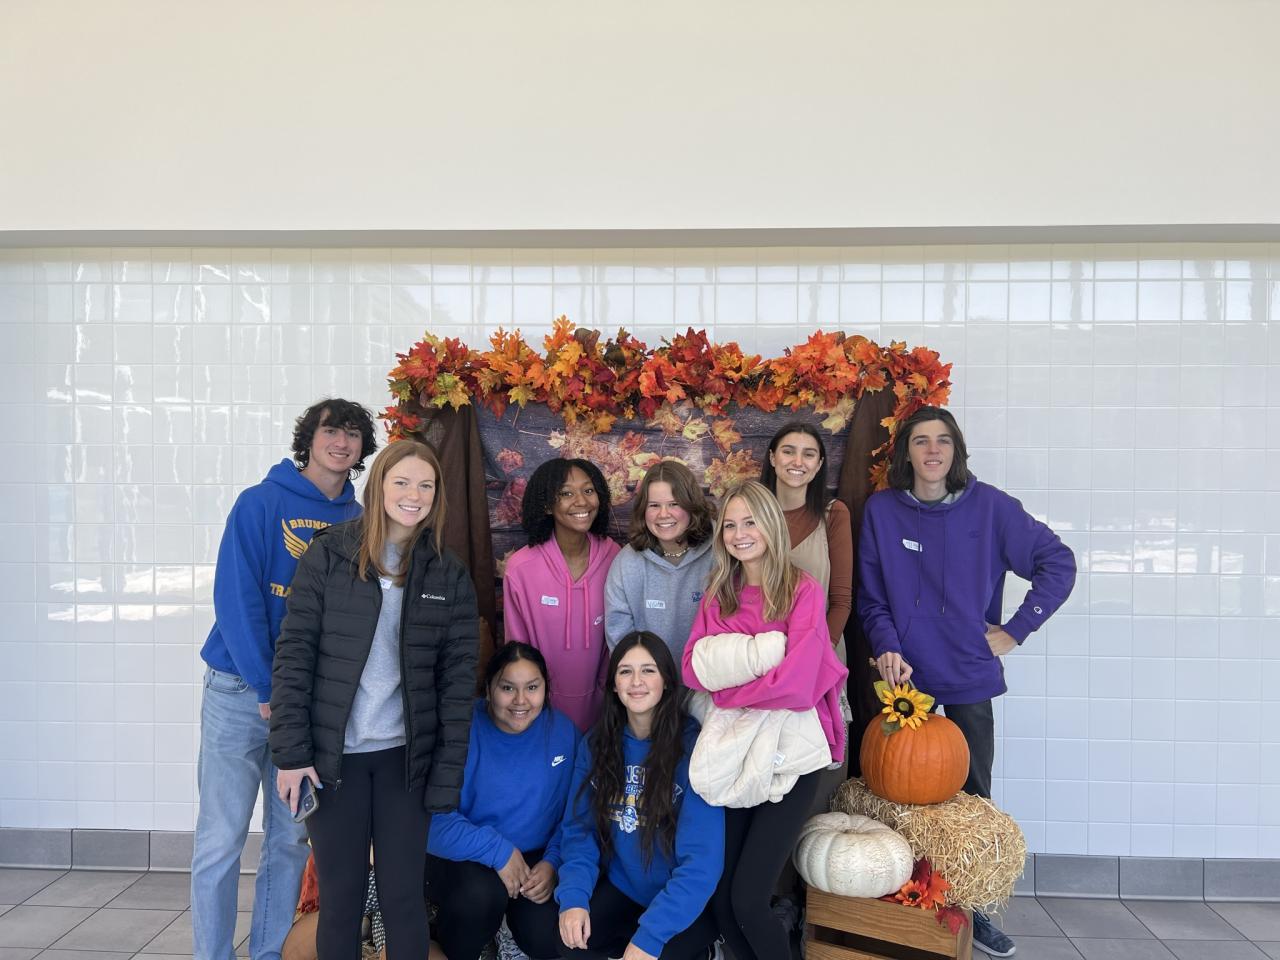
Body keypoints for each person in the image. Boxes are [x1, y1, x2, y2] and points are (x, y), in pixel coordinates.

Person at [858, 405, 1076, 959]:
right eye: (921, 440)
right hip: (904, 683)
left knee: (971, 803)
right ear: (905, 452)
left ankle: (971, 910)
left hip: (969, 677)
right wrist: (886, 644)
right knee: (896, 796)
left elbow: (1058, 561)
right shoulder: (882, 511)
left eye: (943, 440)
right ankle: (903, 907)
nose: (932, 450)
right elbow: (872, 598)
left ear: (956, 450)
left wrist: (1016, 630)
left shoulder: (992, 508)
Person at [269, 439, 479, 959]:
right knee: (340, 900)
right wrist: (291, 755)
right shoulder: (330, 553)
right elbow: (294, 656)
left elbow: (457, 686)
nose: (413, 495)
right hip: (332, 759)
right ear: (378, 486)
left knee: (403, 898)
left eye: (425, 485)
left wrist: (445, 774)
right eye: (401, 482)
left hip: (404, 763)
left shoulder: (447, 573)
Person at [192, 398, 377, 960]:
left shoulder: (359, 521)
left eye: (352, 434)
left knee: (291, 839)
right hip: (239, 691)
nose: (341, 442)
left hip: (308, 705)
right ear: (309, 439)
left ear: (363, 448)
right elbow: (237, 602)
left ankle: (269, 954)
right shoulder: (260, 503)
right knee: (221, 839)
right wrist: (270, 688)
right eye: (331, 431)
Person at [681, 481, 848, 960]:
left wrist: (728, 689)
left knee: (749, 900)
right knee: (722, 900)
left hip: (789, 757)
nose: (740, 534)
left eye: (750, 522)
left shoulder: (801, 589)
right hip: (734, 753)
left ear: (771, 524)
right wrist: (762, 665)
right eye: (730, 525)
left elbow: (798, 684)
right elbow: (692, 669)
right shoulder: (719, 593)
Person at [556, 632, 723, 960]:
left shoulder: (694, 748)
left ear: (666, 681)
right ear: (613, 685)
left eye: (648, 670)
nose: (636, 681)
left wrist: (650, 937)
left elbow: (701, 863)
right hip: (626, 887)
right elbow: (579, 831)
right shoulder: (597, 744)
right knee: (570, 942)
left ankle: (706, 952)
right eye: (625, 671)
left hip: (684, 900)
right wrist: (574, 898)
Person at [427, 642, 580, 960]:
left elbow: (575, 814)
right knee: (480, 898)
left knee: (546, 936)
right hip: (468, 852)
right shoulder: (460, 731)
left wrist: (553, 862)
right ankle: (456, 943)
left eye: (532, 688)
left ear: (545, 689)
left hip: (535, 857)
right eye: (507, 688)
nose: (521, 700)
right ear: (488, 689)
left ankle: (506, 930)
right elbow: (431, 823)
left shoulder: (563, 733)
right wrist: (497, 852)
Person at [503, 457, 621, 732]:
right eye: (566, 493)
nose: (582, 501)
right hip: (542, 712)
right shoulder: (521, 568)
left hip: (607, 710)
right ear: (546, 505)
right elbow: (517, 649)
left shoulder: (615, 557)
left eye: (588, 490)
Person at [605, 460, 716, 666]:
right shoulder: (626, 563)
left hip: (711, 680)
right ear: (643, 510)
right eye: (654, 505)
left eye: (674, 504)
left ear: (691, 505)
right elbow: (619, 638)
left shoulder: (721, 551)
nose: (664, 514)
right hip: (650, 682)